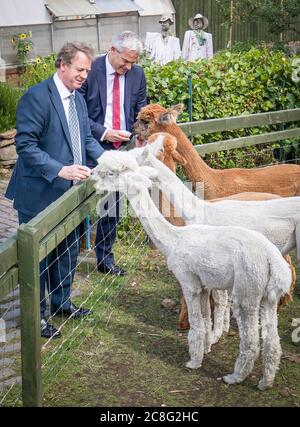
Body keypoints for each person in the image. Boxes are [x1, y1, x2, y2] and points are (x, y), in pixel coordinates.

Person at [5, 42, 104, 338]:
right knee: (39, 259)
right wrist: (60, 169)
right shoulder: (36, 97)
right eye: (79, 69)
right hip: (40, 193)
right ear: (62, 65)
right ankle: (37, 317)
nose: (84, 75)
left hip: (70, 193)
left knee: (67, 251)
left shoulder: (78, 98)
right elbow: (25, 146)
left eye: (87, 70)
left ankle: (62, 303)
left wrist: (111, 160)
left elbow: (85, 138)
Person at [79, 31, 147, 277]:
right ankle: (69, 255)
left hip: (121, 149)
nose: (128, 67)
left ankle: (105, 260)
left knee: (113, 206)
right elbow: (78, 114)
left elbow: (141, 109)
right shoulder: (90, 70)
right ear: (112, 50)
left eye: (133, 62)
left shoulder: (137, 74)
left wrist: (140, 136)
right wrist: (104, 133)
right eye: (125, 61)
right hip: (91, 146)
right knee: (80, 203)